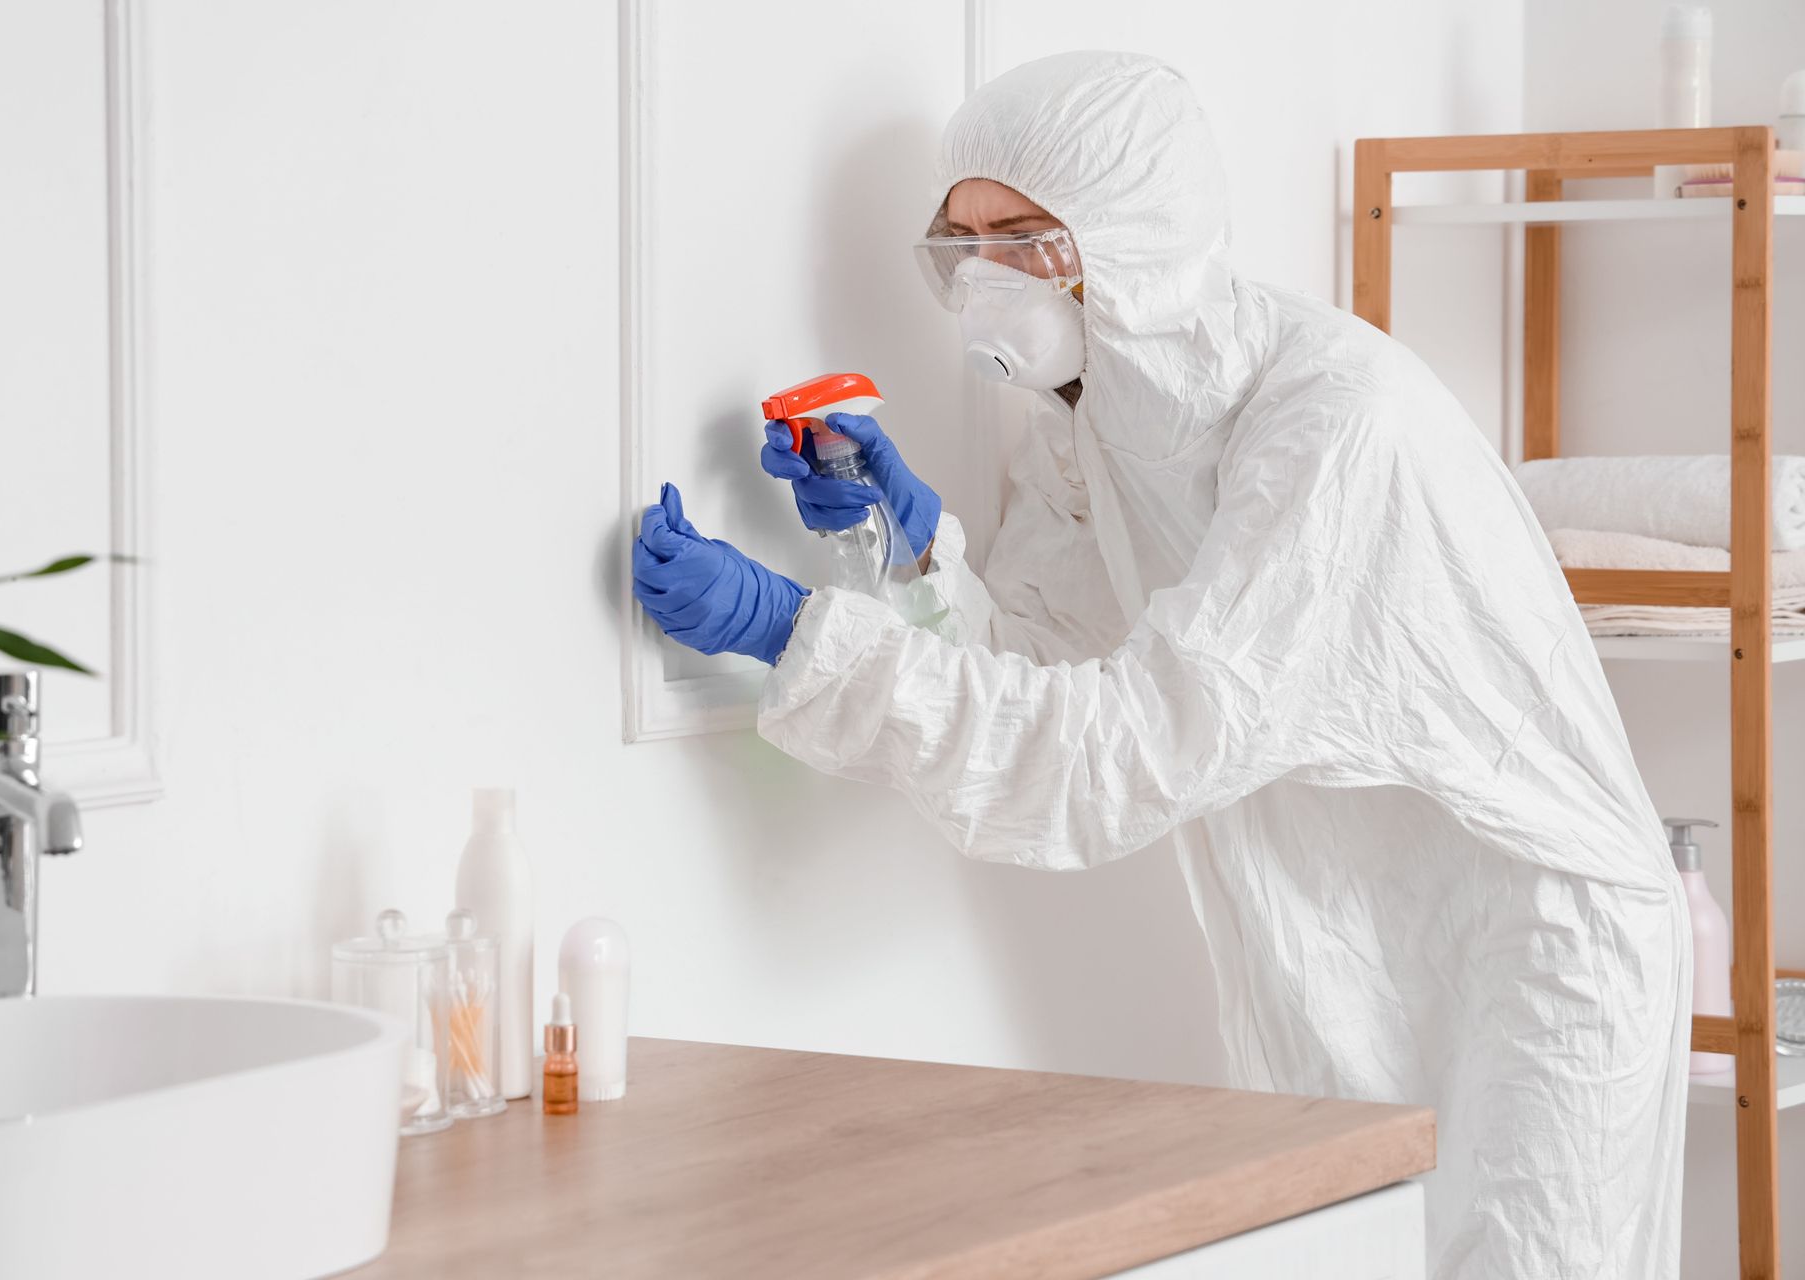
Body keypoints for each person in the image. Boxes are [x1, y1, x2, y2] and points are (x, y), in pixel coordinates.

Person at [631, 50, 1687, 1279]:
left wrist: (795, 632)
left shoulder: (1330, 424)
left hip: (1542, 933)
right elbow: (1036, 664)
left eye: (1022, 239)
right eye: (963, 243)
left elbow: (1115, 754)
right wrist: (912, 547)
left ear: (1129, 234)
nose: (982, 281)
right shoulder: (1090, 428)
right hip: (1354, 925)